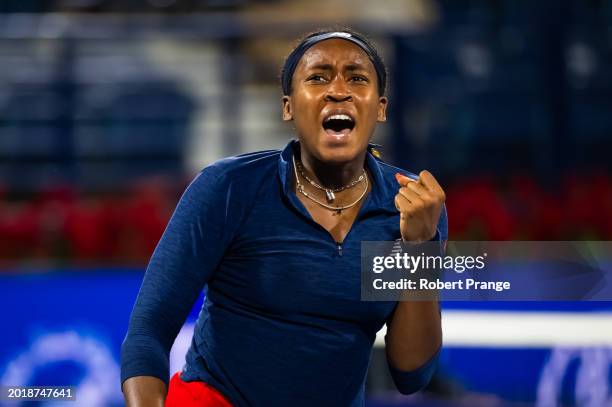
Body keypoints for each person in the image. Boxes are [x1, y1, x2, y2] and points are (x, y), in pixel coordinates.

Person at [121, 27, 447, 407]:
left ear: (380, 107)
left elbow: (412, 373)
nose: (338, 90)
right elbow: (147, 332)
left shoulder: (411, 204)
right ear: (288, 106)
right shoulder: (229, 187)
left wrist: (420, 247)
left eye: (357, 78)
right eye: (318, 77)